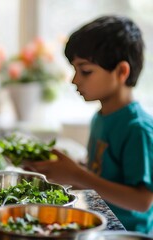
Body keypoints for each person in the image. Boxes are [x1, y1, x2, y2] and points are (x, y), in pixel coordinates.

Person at [23, 15, 153, 234]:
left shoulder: (137, 128)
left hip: (126, 234)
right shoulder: (100, 117)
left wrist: (77, 175)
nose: (75, 80)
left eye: (85, 71)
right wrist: (61, 168)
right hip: (97, 227)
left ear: (121, 72)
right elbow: (101, 176)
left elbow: (142, 201)